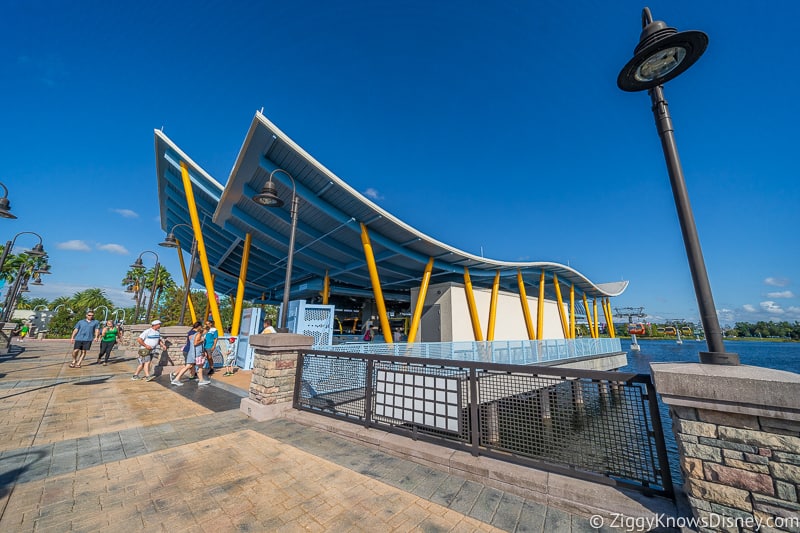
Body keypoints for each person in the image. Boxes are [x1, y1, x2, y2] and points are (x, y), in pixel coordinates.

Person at [171, 321, 203, 386]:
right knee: (188, 365)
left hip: (190, 350)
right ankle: (174, 375)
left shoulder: (192, 331)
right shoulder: (193, 333)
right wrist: (201, 340)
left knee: (191, 365)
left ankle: (192, 376)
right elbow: (193, 342)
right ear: (199, 326)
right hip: (189, 350)